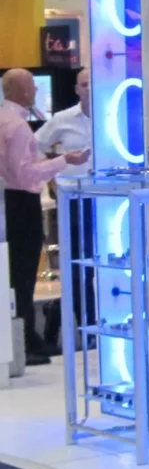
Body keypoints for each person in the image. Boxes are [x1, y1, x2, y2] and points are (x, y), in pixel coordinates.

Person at [0, 69, 90, 364]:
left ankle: (27, 339)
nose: (36, 92)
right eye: (32, 87)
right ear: (23, 92)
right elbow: (23, 171)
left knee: (20, 274)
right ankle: (26, 341)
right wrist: (65, 160)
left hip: (15, 202)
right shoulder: (17, 126)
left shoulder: (7, 121)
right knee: (23, 275)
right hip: (22, 202)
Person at [35, 67, 94, 328]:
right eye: (84, 85)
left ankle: (86, 322)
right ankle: (83, 323)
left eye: (92, 84)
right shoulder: (62, 119)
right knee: (78, 265)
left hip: (110, 200)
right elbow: (32, 147)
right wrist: (53, 174)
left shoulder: (115, 114)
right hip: (74, 202)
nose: (89, 89)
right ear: (76, 89)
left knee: (103, 264)